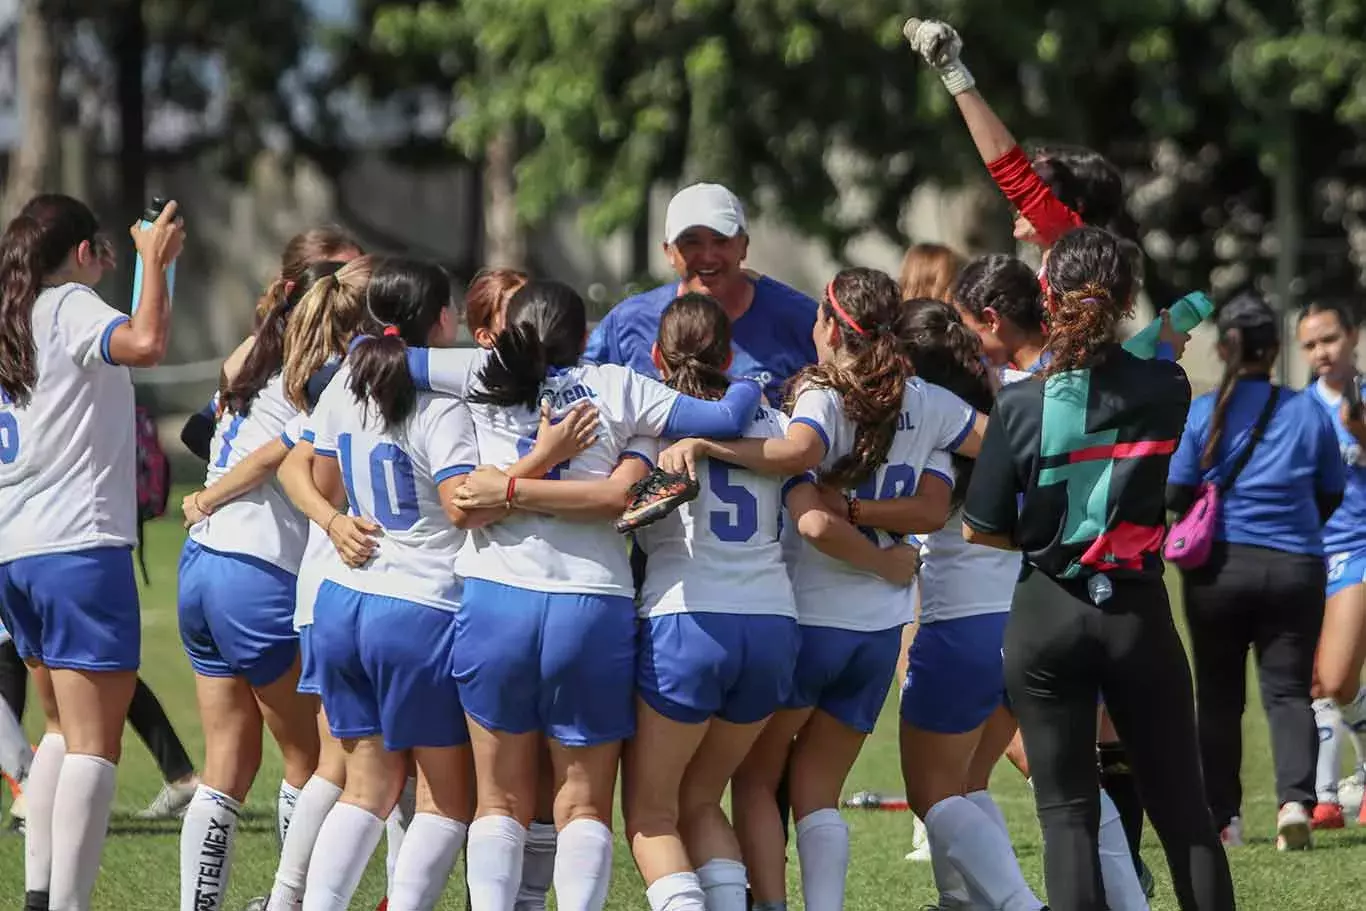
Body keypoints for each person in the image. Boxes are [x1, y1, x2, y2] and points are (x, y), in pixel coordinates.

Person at [408, 278, 764, 911]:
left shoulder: (480, 372)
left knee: (499, 800)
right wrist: (754, 379)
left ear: (513, 329)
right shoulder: (615, 384)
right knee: (583, 804)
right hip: (591, 606)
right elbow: (726, 419)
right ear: (584, 335)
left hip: (497, 598)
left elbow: (376, 362)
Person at [659, 267, 982, 911]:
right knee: (817, 791)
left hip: (810, 620)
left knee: (754, 780)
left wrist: (713, 446)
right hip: (880, 631)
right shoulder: (929, 400)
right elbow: (1003, 443)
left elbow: (806, 501)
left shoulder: (823, 395)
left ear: (831, 327)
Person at [961, 225, 1234, 911]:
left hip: (1048, 611)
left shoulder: (1021, 404)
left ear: (1045, 297)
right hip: (1137, 614)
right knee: (1185, 817)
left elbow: (981, 527)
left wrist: (1048, 537)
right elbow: (1150, 362)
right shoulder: (1167, 387)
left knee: (1068, 820)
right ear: (1128, 297)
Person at [0, 193, 184, 911]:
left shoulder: (14, 318)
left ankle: (42, 897)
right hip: (77, 545)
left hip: (17, 550)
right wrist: (153, 263)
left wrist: (141, 268)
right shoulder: (68, 306)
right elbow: (146, 343)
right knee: (94, 744)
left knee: (58, 731)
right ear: (81, 254)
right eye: (100, 249)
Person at [175, 262, 348, 911]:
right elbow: (273, 453)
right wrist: (211, 496)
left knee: (227, 761)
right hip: (254, 570)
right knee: (311, 758)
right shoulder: (309, 375)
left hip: (200, 567)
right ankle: (292, 902)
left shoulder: (250, 363)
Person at [1167, 292, 1343, 851]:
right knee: (1288, 692)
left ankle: (1225, 819)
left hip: (1218, 570)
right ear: (1275, 350)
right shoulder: (1307, 410)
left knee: (1219, 696)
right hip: (1296, 567)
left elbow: (1175, 492)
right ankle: (1295, 802)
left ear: (1224, 348)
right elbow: (1331, 491)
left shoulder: (1201, 411)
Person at [583, 182, 817, 407]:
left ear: (743, 246)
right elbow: (577, 390)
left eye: (720, 241)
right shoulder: (627, 323)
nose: (707, 256)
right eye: (691, 242)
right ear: (669, 252)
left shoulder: (803, 322)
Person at [1297, 301, 1366, 827]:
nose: (1321, 352)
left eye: (1329, 340)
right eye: (1310, 344)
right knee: (1317, 683)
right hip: (1309, 555)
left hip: (1359, 549)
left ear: (1353, 337)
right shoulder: (1301, 409)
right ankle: (1324, 799)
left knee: (1336, 679)